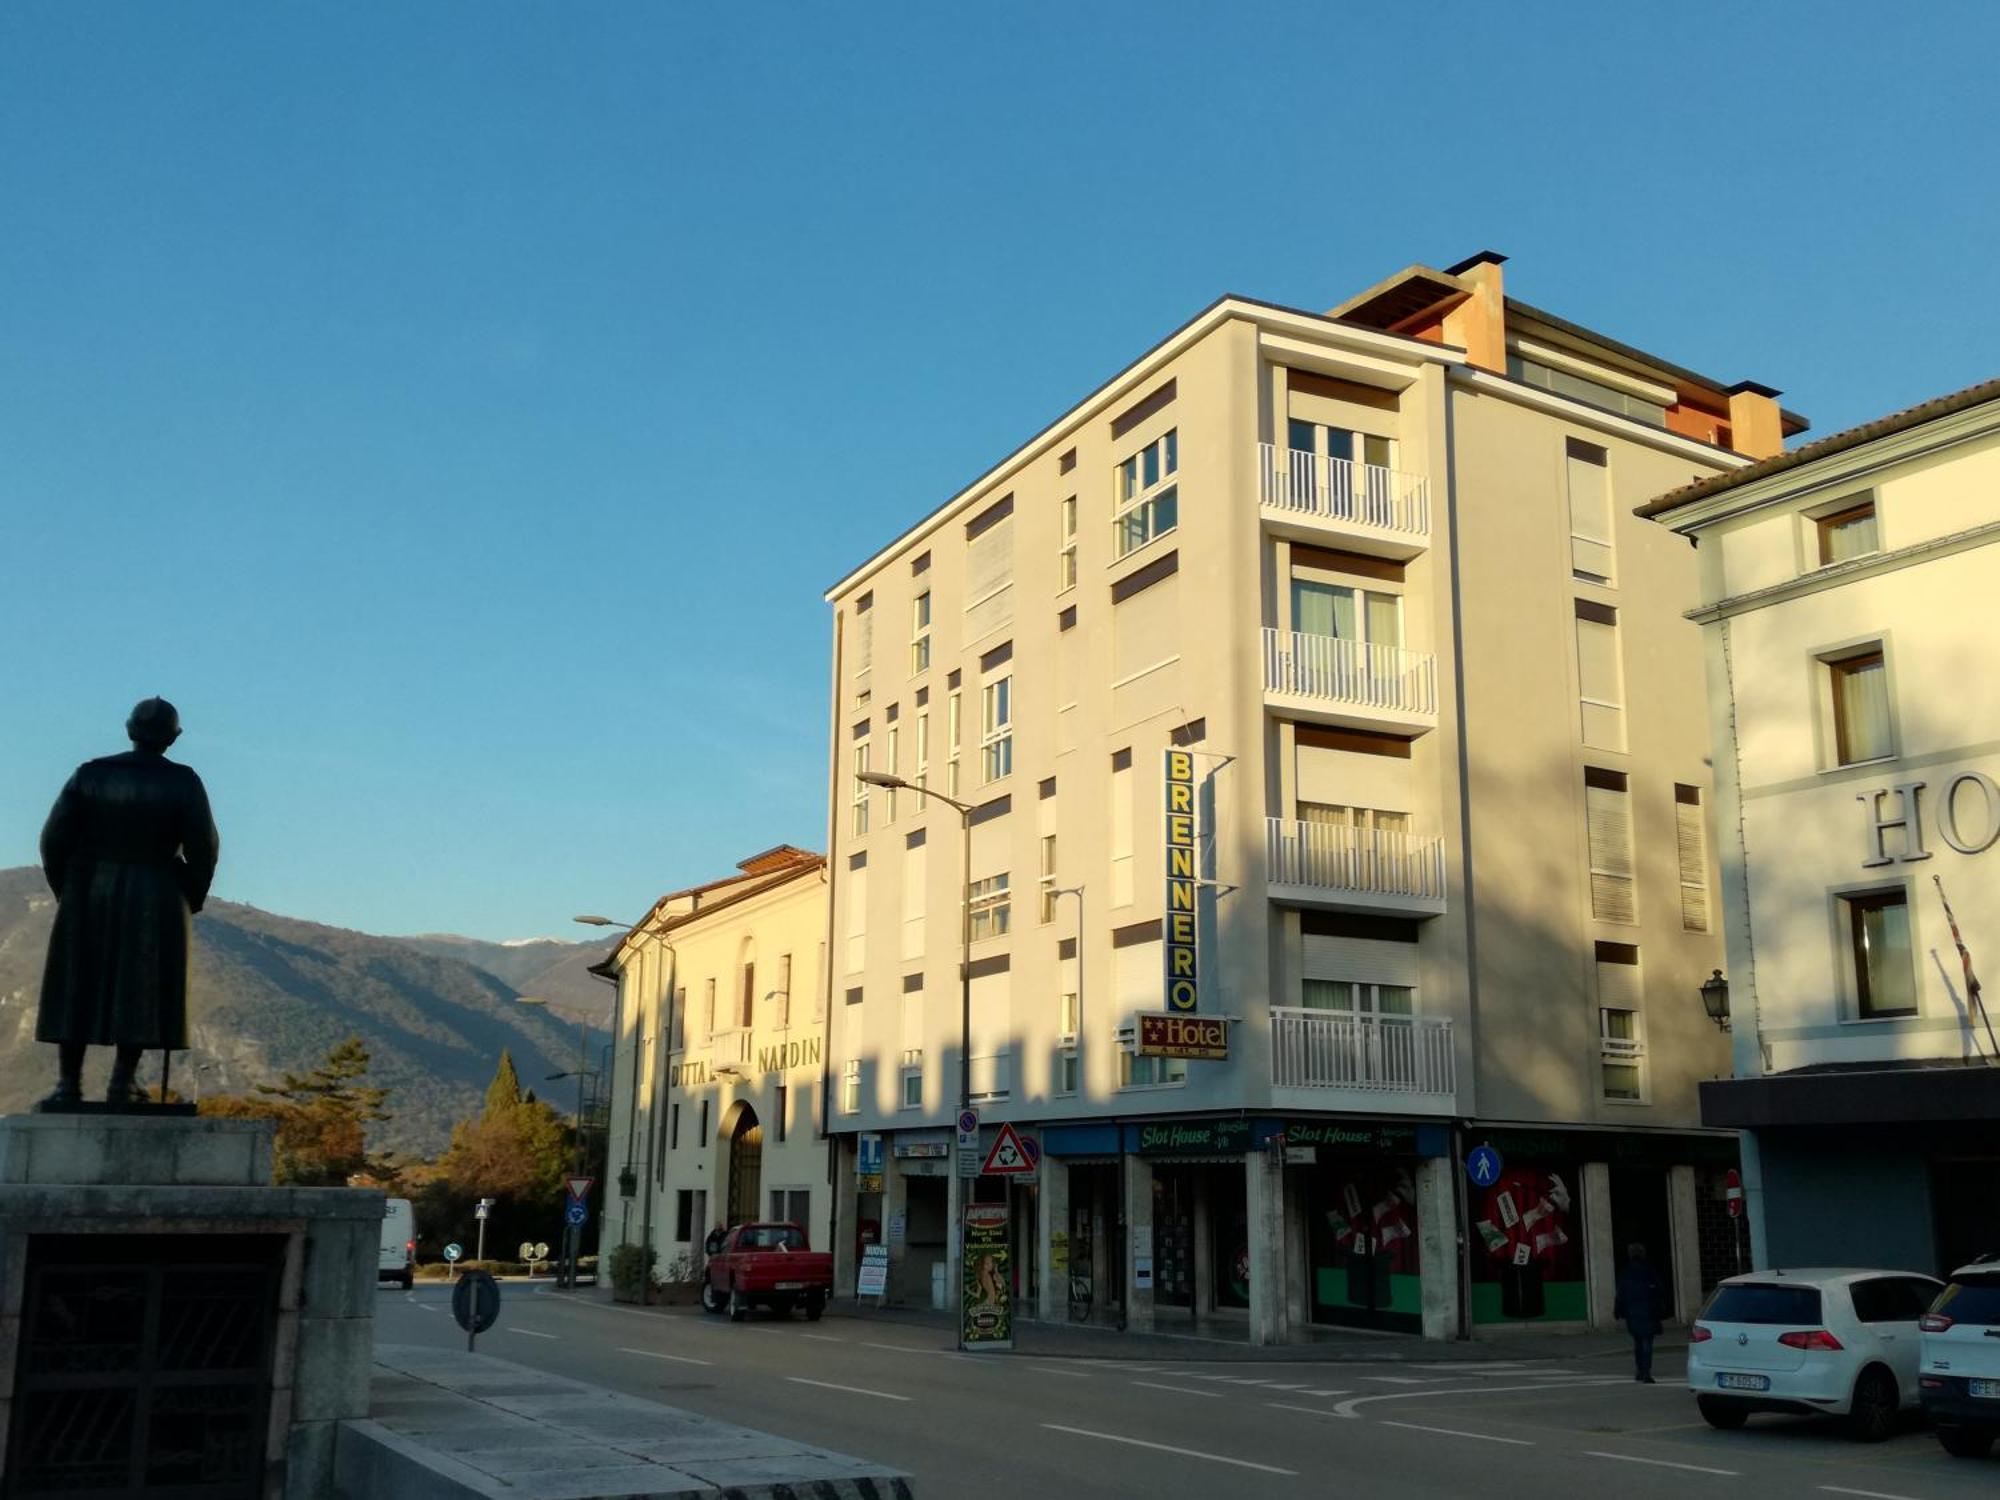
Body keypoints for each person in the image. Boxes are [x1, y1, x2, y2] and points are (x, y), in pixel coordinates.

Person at [37, 698, 219, 1106]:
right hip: (156, 891)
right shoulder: (184, 781)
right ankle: (123, 1082)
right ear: (174, 737)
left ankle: (68, 1084)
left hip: (90, 888)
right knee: (142, 985)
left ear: (129, 728)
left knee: (77, 983)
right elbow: (204, 848)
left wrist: (66, 889)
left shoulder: (90, 774)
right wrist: (191, 895)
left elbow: (53, 839)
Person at [1614, 1241, 1666, 1383]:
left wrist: (1618, 1310)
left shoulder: (1626, 1271)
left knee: (1638, 1342)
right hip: (1649, 1311)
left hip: (1633, 1312)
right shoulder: (1650, 1270)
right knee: (1647, 1342)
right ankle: (1646, 1372)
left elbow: (1620, 1293)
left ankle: (1640, 1370)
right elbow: (1661, 1289)